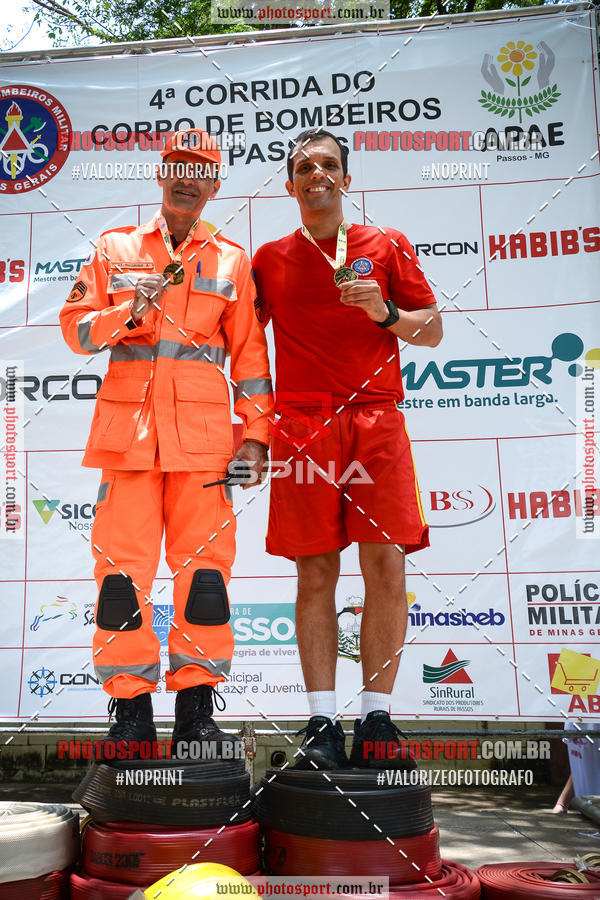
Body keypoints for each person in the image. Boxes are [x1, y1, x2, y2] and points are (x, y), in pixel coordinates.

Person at [60, 129, 271, 756]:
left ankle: (197, 712)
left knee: (204, 577)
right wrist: (128, 309)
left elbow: (252, 362)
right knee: (121, 577)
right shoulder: (114, 245)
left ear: (215, 185)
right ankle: (128, 712)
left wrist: (256, 437)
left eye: (200, 170)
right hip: (127, 441)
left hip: (205, 446)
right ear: (161, 174)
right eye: (176, 166)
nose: (186, 178)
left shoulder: (234, 260)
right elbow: (76, 333)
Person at [252, 128, 442, 770]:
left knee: (386, 567)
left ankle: (378, 718)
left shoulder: (385, 245)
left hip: (376, 419)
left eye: (329, 165)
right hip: (302, 426)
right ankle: (321, 719)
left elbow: (433, 330)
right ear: (290, 184)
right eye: (305, 167)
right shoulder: (269, 258)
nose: (317, 175)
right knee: (314, 572)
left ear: (346, 179)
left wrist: (385, 313)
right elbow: (244, 349)